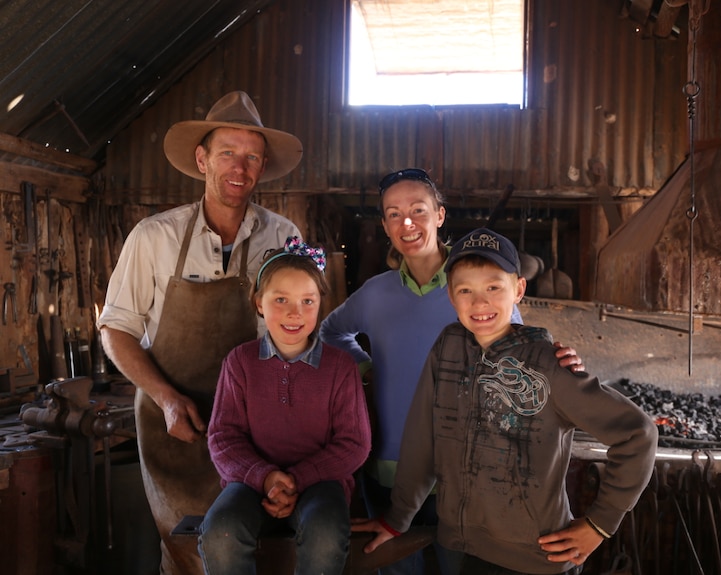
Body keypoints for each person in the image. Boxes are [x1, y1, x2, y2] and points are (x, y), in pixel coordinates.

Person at [318, 169, 586, 575]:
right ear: (385, 224)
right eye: (393, 213)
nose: (406, 223)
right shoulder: (375, 293)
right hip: (390, 465)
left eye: (418, 210)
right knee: (397, 567)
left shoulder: (474, 289)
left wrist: (560, 363)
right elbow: (330, 331)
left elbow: (517, 358)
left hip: (466, 470)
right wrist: (368, 368)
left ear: (440, 216)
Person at [351, 227, 658, 575]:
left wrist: (600, 523)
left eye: (494, 287)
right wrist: (398, 517)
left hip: (534, 555)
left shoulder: (549, 365)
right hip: (460, 547)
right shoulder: (448, 347)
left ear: (519, 290)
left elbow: (638, 434)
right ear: (450, 296)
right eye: (465, 290)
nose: (479, 303)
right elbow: (424, 437)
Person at [97, 91, 304, 574]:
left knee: (260, 551)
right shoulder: (153, 237)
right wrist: (167, 399)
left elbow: (300, 328)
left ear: (263, 165)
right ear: (202, 159)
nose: (240, 166)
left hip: (259, 429)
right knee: (185, 552)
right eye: (227, 152)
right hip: (178, 429)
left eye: (252, 156)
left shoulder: (284, 237)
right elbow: (116, 329)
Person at [197, 238, 371, 574]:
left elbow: (355, 443)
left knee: (325, 534)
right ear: (259, 303)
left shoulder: (340, 367)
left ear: (321, 303)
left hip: (322, 481)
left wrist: (296, 478)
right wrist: (266, 478)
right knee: (221, 533)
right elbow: (222, 436)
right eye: (281, 300)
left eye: (308, 301)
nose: (295, 313)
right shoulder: (240, 362)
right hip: (251, 482)